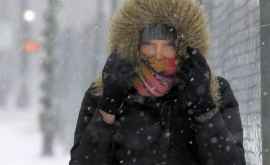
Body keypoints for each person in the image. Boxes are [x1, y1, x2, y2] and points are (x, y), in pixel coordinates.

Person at [69, 0, 246, 165]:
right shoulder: (104, 92)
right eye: (149, 45)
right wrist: (107, 109)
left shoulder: (214, 92)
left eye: (168, 45)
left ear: (183, 48)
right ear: (135, 47)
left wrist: (205, 110)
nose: (158, 55)